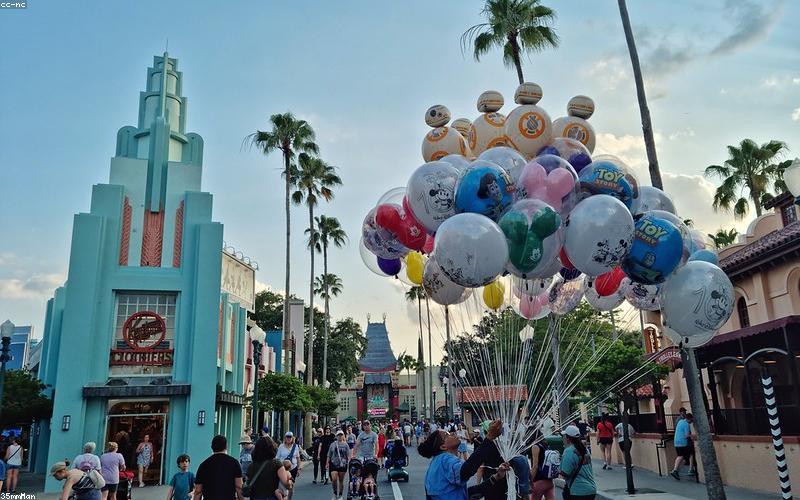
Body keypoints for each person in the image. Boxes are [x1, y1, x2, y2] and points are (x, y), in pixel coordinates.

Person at [420, 420, 509, 499]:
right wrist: (489, 438)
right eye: (447, 435)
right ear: (443, 446)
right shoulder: (445, 460)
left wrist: (496, 477)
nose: (452, 433)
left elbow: (465, 493)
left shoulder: (437, 463)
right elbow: (466, 471)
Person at [194, 435, 243, 500]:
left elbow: (198, 491)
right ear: (226, 446)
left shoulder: (203, 465)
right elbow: (239, 486)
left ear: (212, 447)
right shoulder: (234, 463)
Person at [560, 425, 596, 500]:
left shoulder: (569, 451)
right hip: (591, 489)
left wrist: (556, 469)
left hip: (577, 491)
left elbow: (565, 472)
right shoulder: (585, 450)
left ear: (568, 438)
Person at [530, 431, 555, 500]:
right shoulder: (545, 445)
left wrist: (530, 481)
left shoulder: (535, 446)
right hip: (549, 481)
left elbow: (535, 466)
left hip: (539, 481)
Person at [276, 432, 301, 498]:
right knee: (282, 484)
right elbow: (277, 458)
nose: (289, 438)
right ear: (285, 438)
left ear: (292, 438)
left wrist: (299, 468)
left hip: (293, 468)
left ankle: (289, 498)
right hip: (282, 469)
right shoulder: (281, 446)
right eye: (287, 437)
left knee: (290, 485)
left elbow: (298, 458)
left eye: (290, 437)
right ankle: (283, 496)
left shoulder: (295, 446)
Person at [671, 413, 696, 480]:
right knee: (691, 454)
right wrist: (694, 436)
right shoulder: (686, 425)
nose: (692, 421)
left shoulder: (680, 421)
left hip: (676, 442)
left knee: (680, 456)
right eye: (692, 420)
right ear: (690, 419)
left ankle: (675, 470)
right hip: (683, 443)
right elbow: (686, 435)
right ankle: (690, 470)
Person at [327, 430, 350, 500]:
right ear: (336, 436)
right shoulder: (333, 444)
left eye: (341, 435)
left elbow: (348, 455)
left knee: (341, 480)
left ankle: (340, 495)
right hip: (333, 463)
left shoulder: (346, 445)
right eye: (338, 435)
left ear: (343, 436)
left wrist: (349, 463)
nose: (340, 436)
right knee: (334, 479)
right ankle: (334, 493)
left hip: (343, 464)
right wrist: (327, 463)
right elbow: (329, 454)